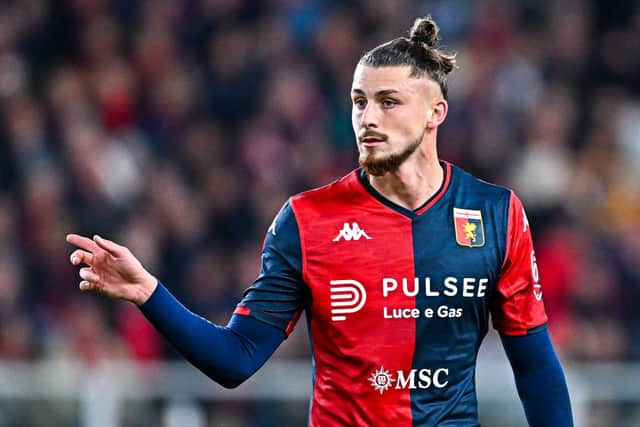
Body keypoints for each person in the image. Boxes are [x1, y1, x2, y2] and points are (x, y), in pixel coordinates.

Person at [67, 16, 573, 426]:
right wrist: (149, 293)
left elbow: (535, 368)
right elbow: (236, 358)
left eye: (387, 102)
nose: (367, 118)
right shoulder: (307, 221)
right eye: (358, 102)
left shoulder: (495, 213)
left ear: (434, 113)